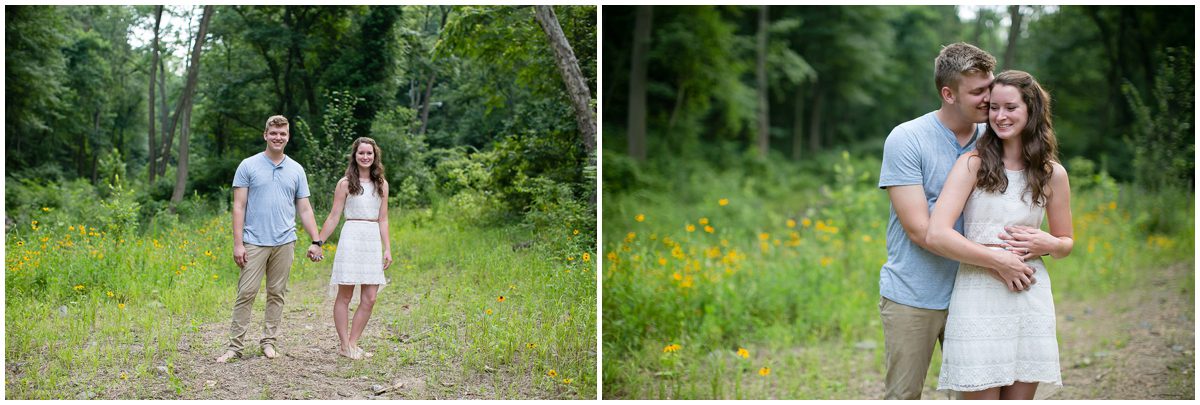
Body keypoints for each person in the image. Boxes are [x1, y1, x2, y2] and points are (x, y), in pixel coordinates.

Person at [877, 43, 1037, 399]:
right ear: (948, 94)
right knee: (903, 395)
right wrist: (999, 260)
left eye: (990, 87)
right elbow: (922, 231)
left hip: (978, 294)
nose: (989, 98)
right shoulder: (907, 139)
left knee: (974, 393)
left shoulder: (996, 137)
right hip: (914, 294)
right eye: (978, 91)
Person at [927, 70, 1072, 399]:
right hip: (978, 296)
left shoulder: (1052, 173)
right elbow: (937, 233)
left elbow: (1066, 242)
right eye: (993, 107)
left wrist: (1050, 243)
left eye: (1010, 107)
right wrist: (996, 259)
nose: (1000, 116)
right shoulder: (972, 164)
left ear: (1031, 109)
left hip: (1028, 294)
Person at [217, 115, 324, 363]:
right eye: (273, 133)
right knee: (246, 293)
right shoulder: (248, 165)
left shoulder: (296, 169)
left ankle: (269, 342)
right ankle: (235, 347)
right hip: (254, 241)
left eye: (282, 134)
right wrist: (238, 243)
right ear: (265, 135)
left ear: (288, 137)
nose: (278, 137)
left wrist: (316, 240)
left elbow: (305, 209)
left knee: (277, 293)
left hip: (285, 241)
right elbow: (239, 206)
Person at [313, 137, 393, 360]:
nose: (365, 157)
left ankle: (353, 342)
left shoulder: (382, 184)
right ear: (355, 156)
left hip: (371, 240)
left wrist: (387, 248)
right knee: (345, 295)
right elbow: (334, 216)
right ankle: (344, 345)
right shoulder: (345, 183)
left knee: (370, 297)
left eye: (369, 153)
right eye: (361, 153)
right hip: (351, 238)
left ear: (375, 156)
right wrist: (318, 242)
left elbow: (383, 219)